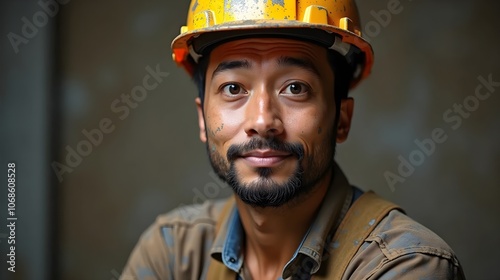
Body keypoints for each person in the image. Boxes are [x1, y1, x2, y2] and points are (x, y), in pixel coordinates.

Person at [121, 0, 466, 279]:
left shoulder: (404, 265)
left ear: (341, 119)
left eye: (295, 88)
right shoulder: (172, 253)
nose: (262, 121)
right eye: (233, 88)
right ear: (202, 118)